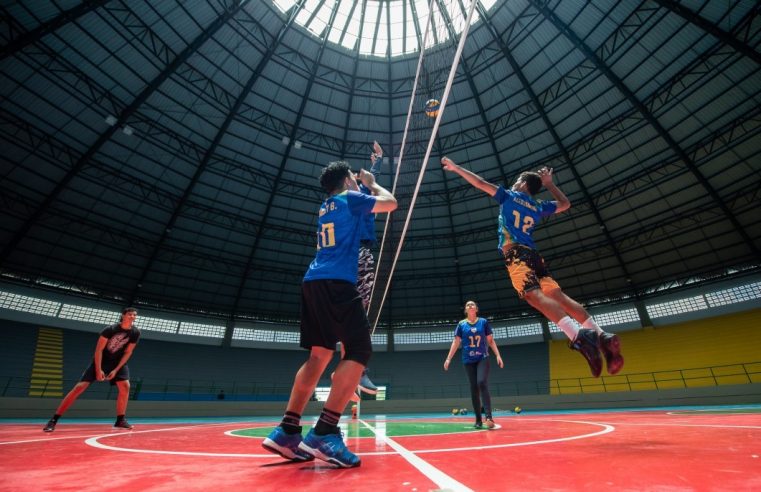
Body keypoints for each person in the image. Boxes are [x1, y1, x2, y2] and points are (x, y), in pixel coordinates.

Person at [262, 158, 397, 468]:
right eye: (353, 177)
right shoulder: (350, 198)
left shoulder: (325, 208)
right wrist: (373, 183)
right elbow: (391, 204)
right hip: (338, 281)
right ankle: (324, 431)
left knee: (319, 354)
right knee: (359, 350)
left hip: (313, 282)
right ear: (348, 181)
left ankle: (287, 430)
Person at [440, 157, 624, 377]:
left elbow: (480, 182)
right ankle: (601, 334)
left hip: (516, 254)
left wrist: (456, 167)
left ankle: (579, 336)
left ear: (524, 184)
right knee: (558, 296)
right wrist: (549, 184)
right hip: (534, 255)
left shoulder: (508, 196)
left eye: (518, 180)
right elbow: (565, 204)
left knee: (532, 295)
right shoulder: (538, 205)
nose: (515, 183)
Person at [43, 307, 141, 432]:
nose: (132, 317)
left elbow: (128, 352)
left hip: (118, 362)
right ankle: (53, 420)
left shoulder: (135, 332)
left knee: (125, 386)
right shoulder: (110, 329)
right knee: (79, 387)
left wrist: (116, 369)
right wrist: (98, 369)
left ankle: (120, 420)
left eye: (134, 315)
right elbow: (99, 350)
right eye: (129, 314)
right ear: (123, 316)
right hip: (101, 360)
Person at [444, 300, 503, 429]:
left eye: (472, 304)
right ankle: (478, 419)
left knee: (481, 382)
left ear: (476, 309)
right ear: (466, 310)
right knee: (473, 388)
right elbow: (456, 342)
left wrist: (498, 355)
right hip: (468, 360)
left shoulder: (483, 322)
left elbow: (490, 341)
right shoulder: (461, 324)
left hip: (482, 357)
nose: (470, 305)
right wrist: (448, 359)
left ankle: (488, 417)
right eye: (467, 305)